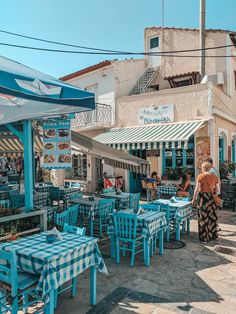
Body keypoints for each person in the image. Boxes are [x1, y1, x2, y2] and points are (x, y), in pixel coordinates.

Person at [192, 162, 221, 243]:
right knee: (212, 217)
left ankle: (204, 238)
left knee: (203, 217)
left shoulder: (200, 176)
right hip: (212, 198)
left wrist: (193, 199)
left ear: (203, 168)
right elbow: (218, 190)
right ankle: (213, 236)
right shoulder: (215, 177)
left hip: (203, 198)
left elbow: (197, 189)